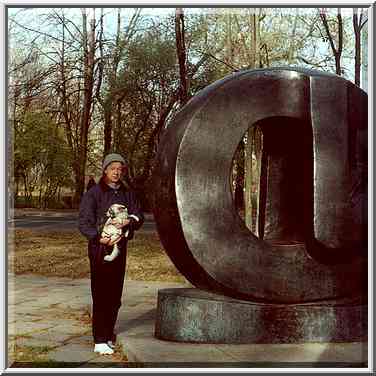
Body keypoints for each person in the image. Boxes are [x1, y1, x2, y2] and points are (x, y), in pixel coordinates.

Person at [78, 153, 144, 355]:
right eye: (113, 168)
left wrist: (129, 221)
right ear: (105, 170)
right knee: (101, 294)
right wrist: (100, 238)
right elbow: (84, 223)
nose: (116, 172)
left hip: (120, 249)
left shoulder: (127, 193)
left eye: (120, 169)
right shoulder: (94, 193)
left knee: (115, 295)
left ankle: (108, 335)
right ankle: (99, 339)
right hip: (100, 250)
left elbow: (139, 216)